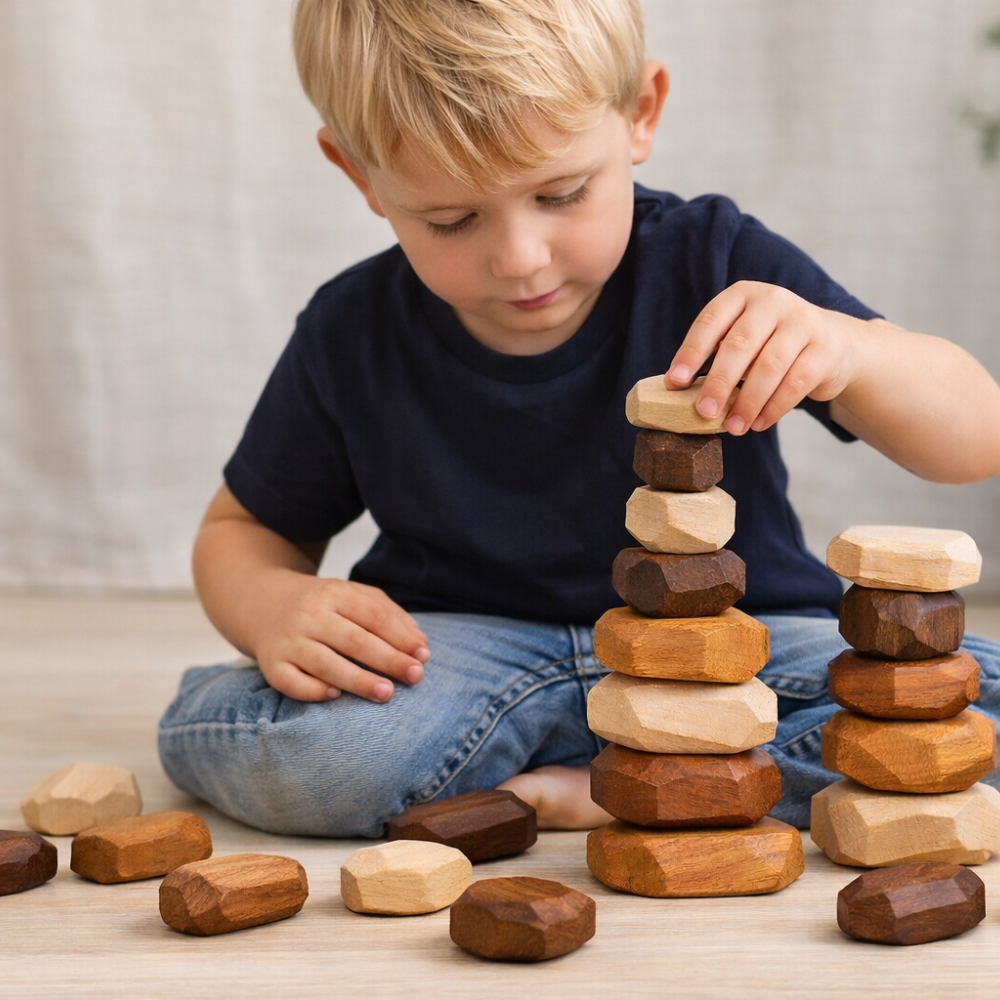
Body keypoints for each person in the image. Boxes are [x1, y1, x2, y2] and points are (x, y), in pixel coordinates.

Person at [158, 0, 1000, 837]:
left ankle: (612, 786)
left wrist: (848, 350)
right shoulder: (349, 331)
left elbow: (976, 437)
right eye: (451, 219)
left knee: (971, 703)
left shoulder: (714, 257)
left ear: (640, 113)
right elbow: (244, 531)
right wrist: (271, 605)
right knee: (317, 757)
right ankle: (686, 781)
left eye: (562, 193)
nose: (520, 258)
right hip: (457, 660)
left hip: (733, 646)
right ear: (360, 176)